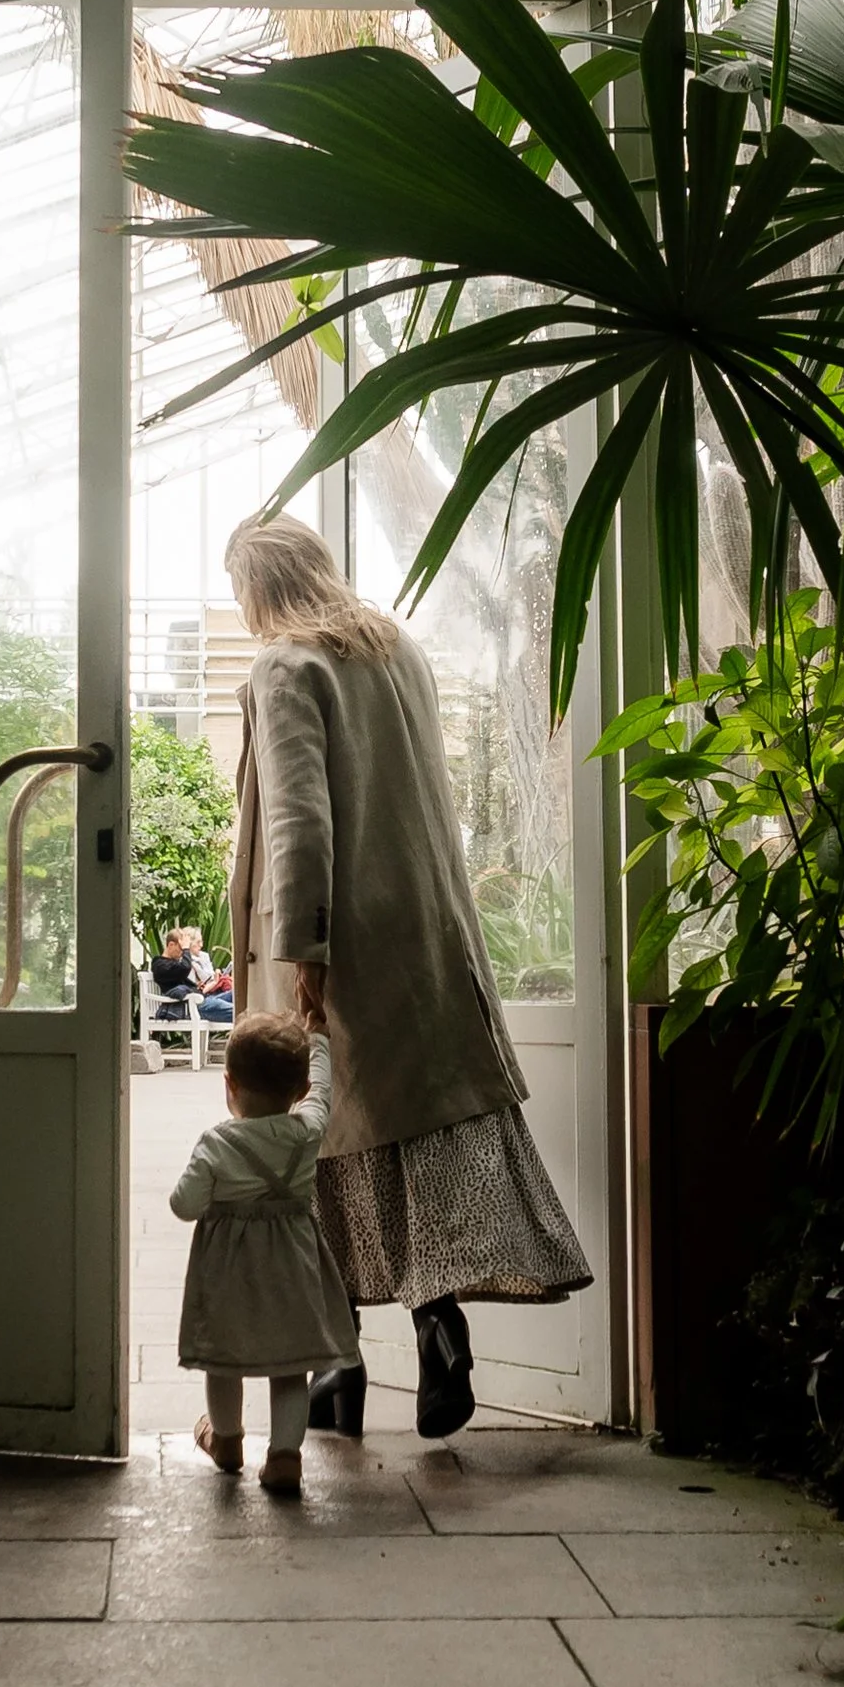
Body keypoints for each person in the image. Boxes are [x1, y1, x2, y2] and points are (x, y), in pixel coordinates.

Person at [223, 510, 589, 1438]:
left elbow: (299, 822)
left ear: (259, 588)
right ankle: (428, 1336)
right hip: (421, 933)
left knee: (316, 1153)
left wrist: (302, 953)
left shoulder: (284, 665)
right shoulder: (395, 650)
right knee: (410, 1143)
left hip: (338, 939)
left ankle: (341, 1365)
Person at [169, 1007, 355, 1494]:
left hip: (229, 1273)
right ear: (295, 1093)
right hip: (291, 1264)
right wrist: (317, 1042)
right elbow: (322, 1094)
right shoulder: (306, 1130)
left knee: (223, 1360)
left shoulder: (216, 1144)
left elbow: (183, 1205)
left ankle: (226, 1439)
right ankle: (285, 1457)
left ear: (228, 1083)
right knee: (290, 1363)